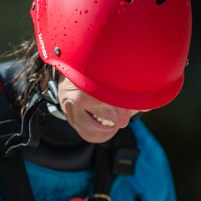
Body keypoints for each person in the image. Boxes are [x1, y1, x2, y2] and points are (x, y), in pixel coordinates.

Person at [0, 0, 192, 201]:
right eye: (103, 94)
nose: (121, 122)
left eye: (137, 103)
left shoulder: (146, 165)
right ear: (53, 66)